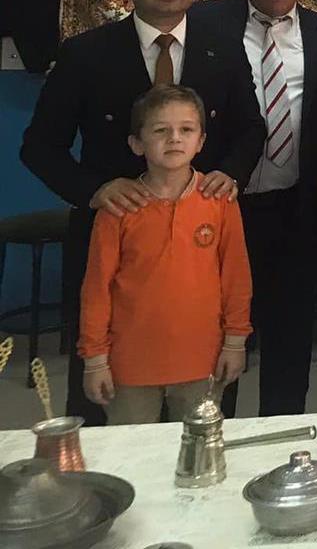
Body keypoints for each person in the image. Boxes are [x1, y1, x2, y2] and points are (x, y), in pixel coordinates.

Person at [21, 0, 264, 423]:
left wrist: (229, 172)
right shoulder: (86, 53)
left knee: (204, 413)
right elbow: (40, 147)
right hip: (111, 237)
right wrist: (95, 190)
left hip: (198, 239)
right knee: (104, 410)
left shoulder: (222, 49)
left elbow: (250, 128)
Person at [190, 0, 317, 416]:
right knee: (215, 328)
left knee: (289, 335)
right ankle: (211, 428)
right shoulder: (203, 25)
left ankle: (280, 431)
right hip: (218, 201)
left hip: (295, 206)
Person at [79, 85, 252, 424]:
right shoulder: (118, 207)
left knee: (200, 449)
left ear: (201, 141)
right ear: (137, 143)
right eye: (161, 130)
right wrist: (95, 359)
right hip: (131, 364)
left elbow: (236, 277)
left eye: (186, 129)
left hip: (202, 359)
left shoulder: (219, 201)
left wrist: (235, 342)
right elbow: (97, 288)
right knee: (131, 451)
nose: (174, 138)